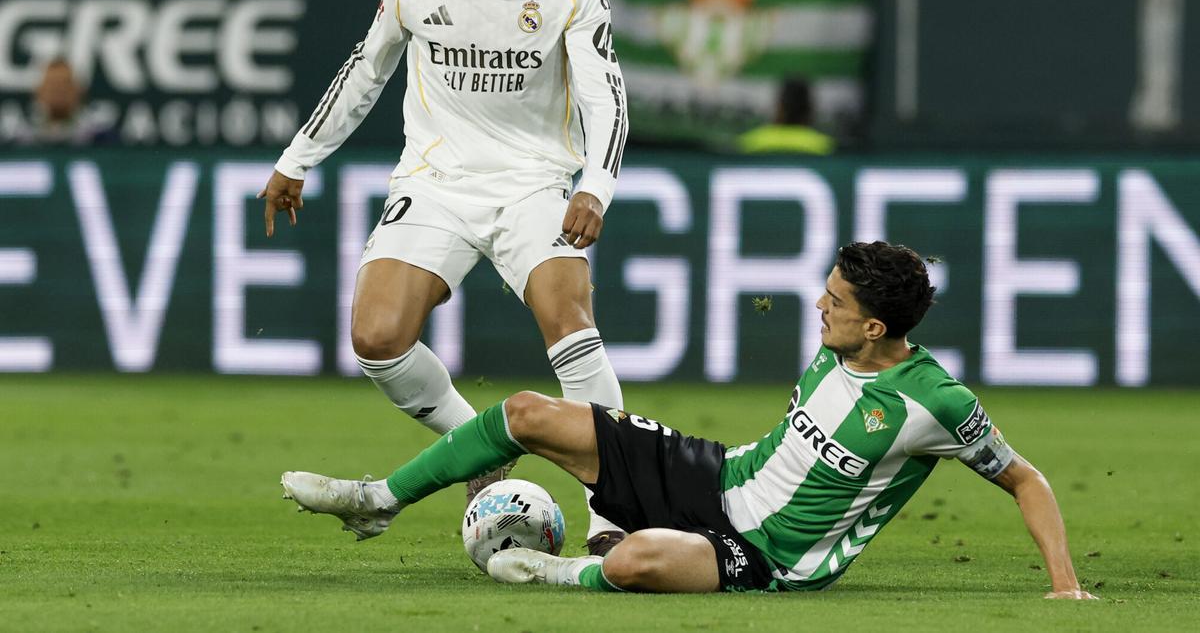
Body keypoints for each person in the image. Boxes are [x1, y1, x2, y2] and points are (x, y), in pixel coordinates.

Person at [280, 241, 1098, 598]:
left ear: (876, 328)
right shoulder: (834, 351)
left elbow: (1024, 479)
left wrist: (1065, 586)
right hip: (717, 473)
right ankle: (380, 499)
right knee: (529, 413)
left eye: (836, 302)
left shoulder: (934, 403)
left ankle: (563, 572)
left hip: (770, 555)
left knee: (636, 561)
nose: (819, 304)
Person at [259, 0, 630, 555]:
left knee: (568, 321)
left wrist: (595, 185)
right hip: (435, 180)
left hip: (533, 181)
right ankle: (480, 448)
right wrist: (298, 158)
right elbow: (366, 67)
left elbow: (604, 98)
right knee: (375, 338)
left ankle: (614, 509)